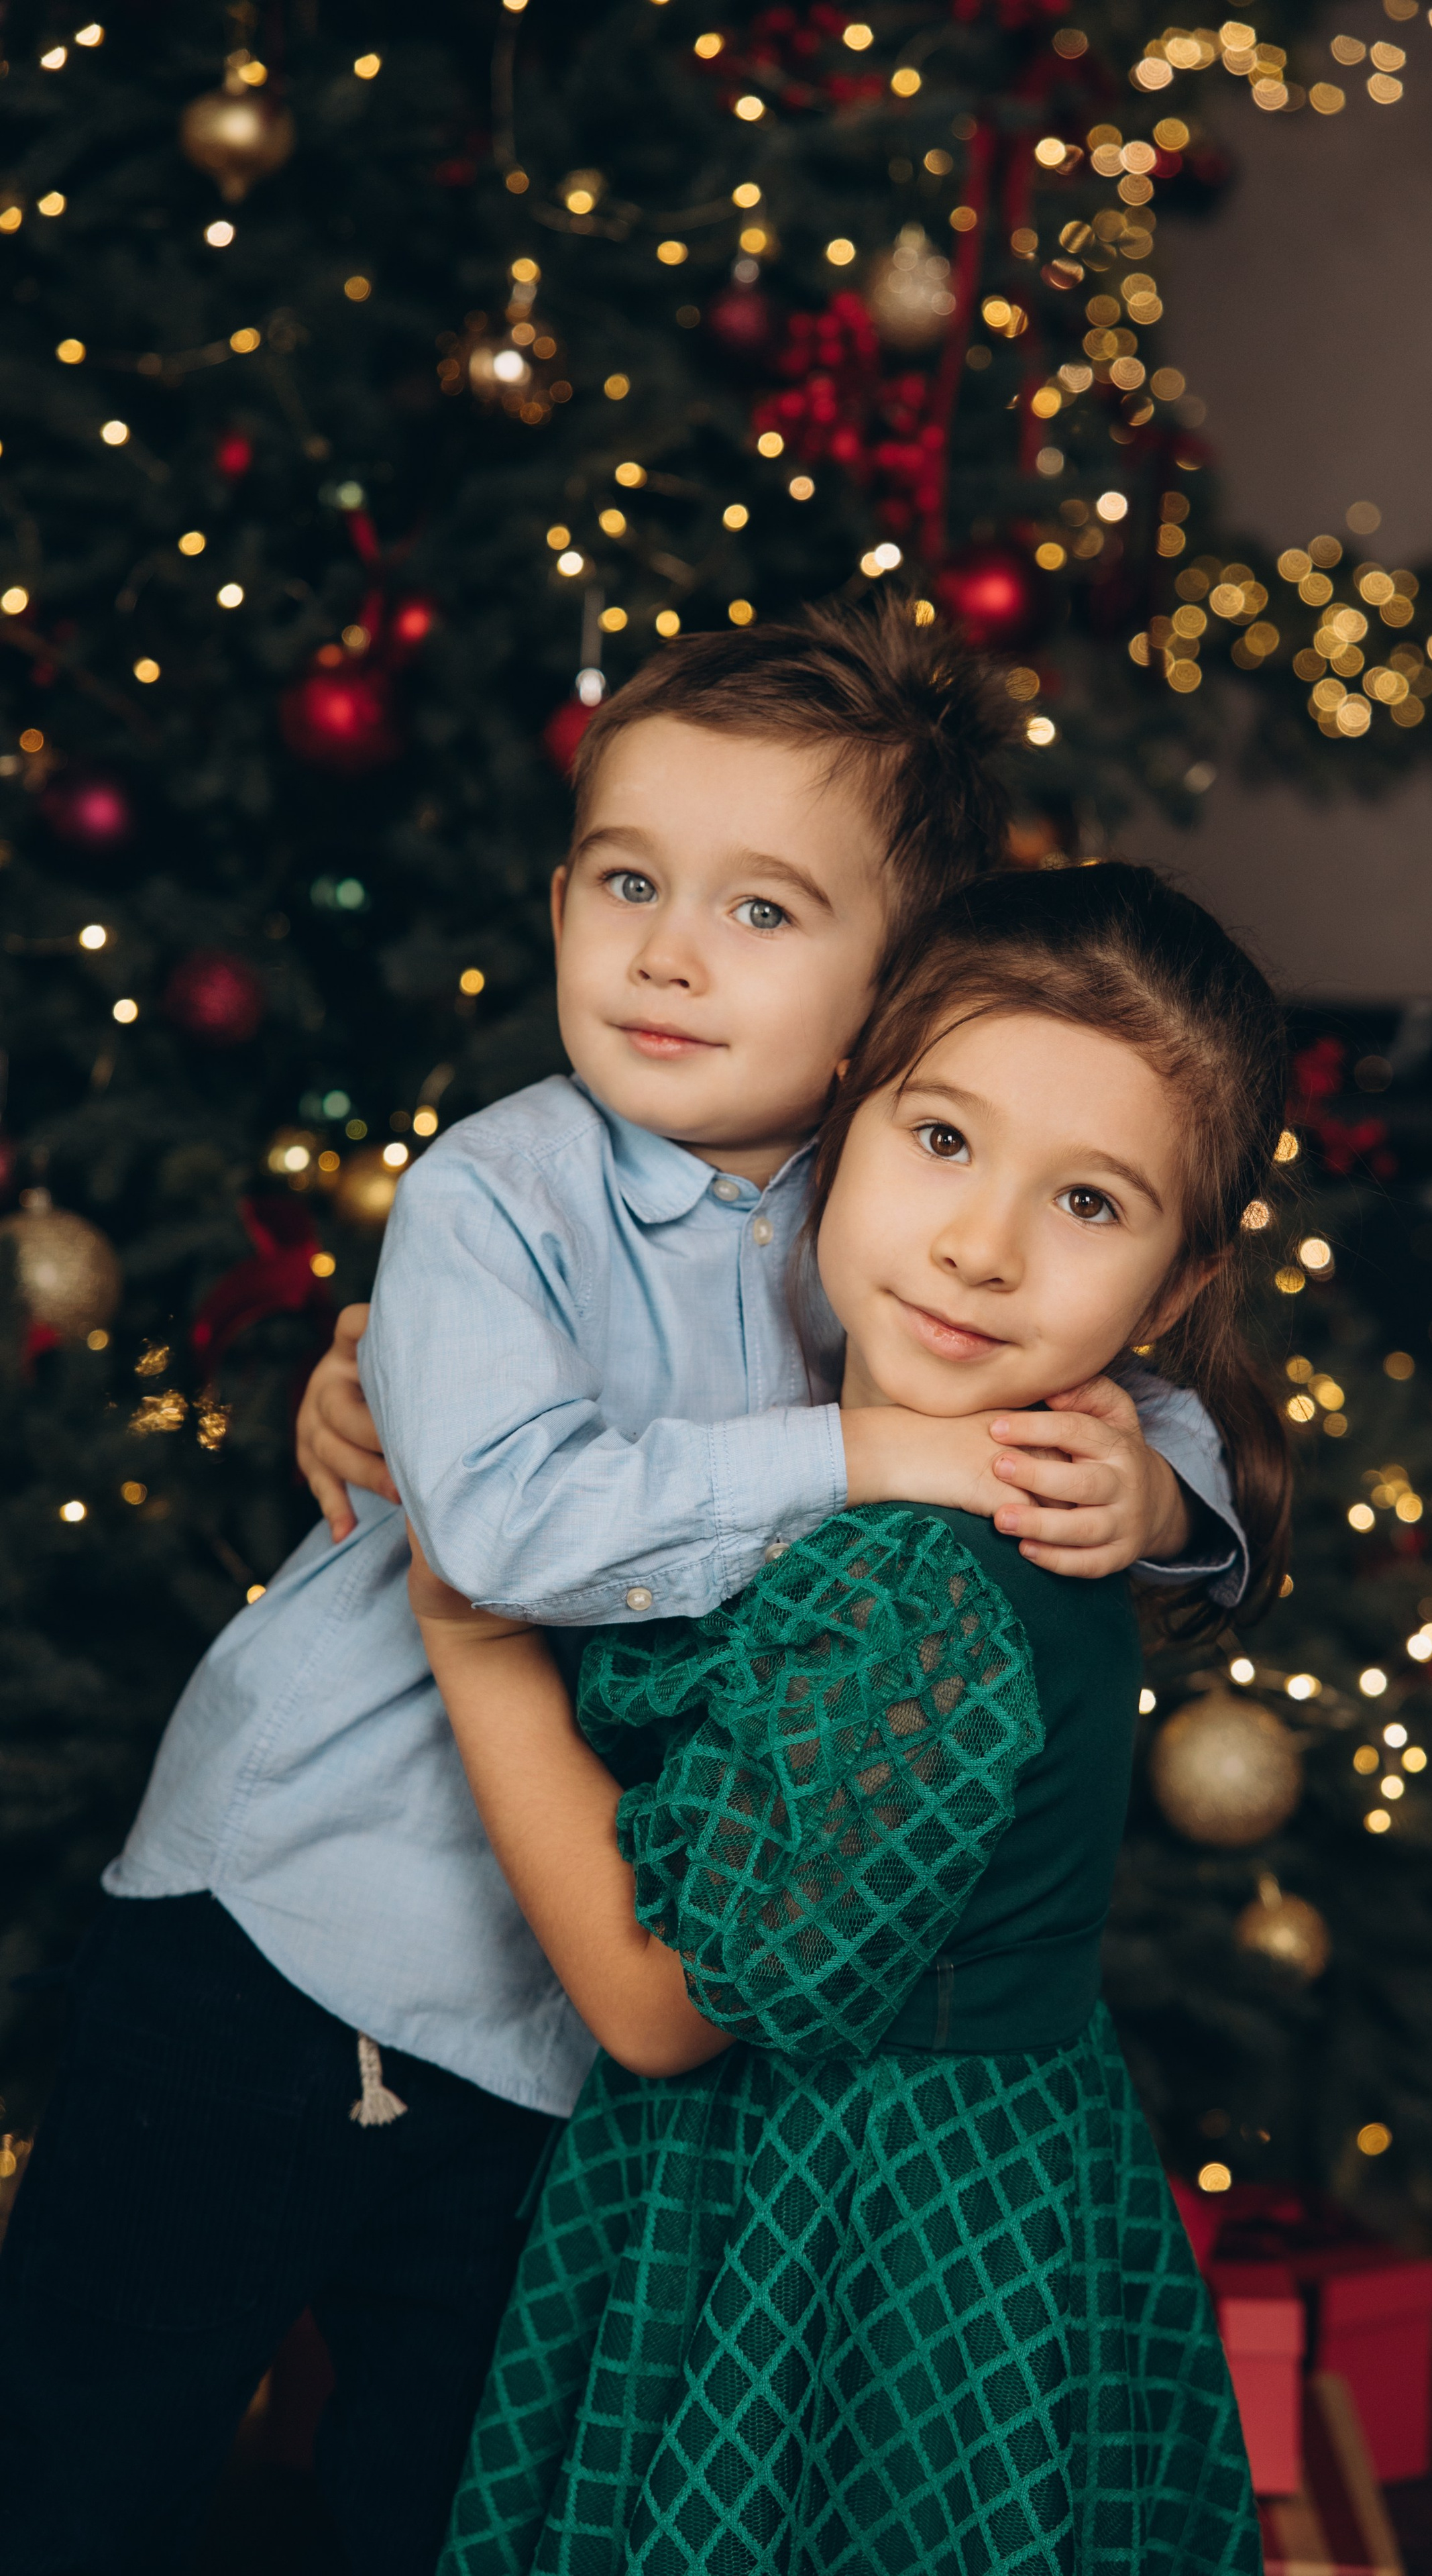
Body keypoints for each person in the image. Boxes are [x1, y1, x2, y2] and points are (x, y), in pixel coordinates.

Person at [0, 604, 1250, 2576]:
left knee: (449, 2483)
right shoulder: (498, 1197)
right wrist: (868, 1455)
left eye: (764, 912)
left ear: (887, 997)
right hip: (289, 1927)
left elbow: (1133, 1376)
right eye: (628, 883)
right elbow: (495, 1538)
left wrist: (1155, 1494)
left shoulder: (907, 1193)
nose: (671, 953)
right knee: (96, 2434)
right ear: (561, 898)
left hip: (557, 2015)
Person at [419, 859, 1284, 2576]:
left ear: (1174, 1289)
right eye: (943, 1141)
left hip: (857, 2230)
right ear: (841, 1129)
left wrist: (465, 1625)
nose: (979, 1244)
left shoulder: (913, 1589)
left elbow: (662, 2014)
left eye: (1090, 1205)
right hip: (996, 2180)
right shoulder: (926, 1457)